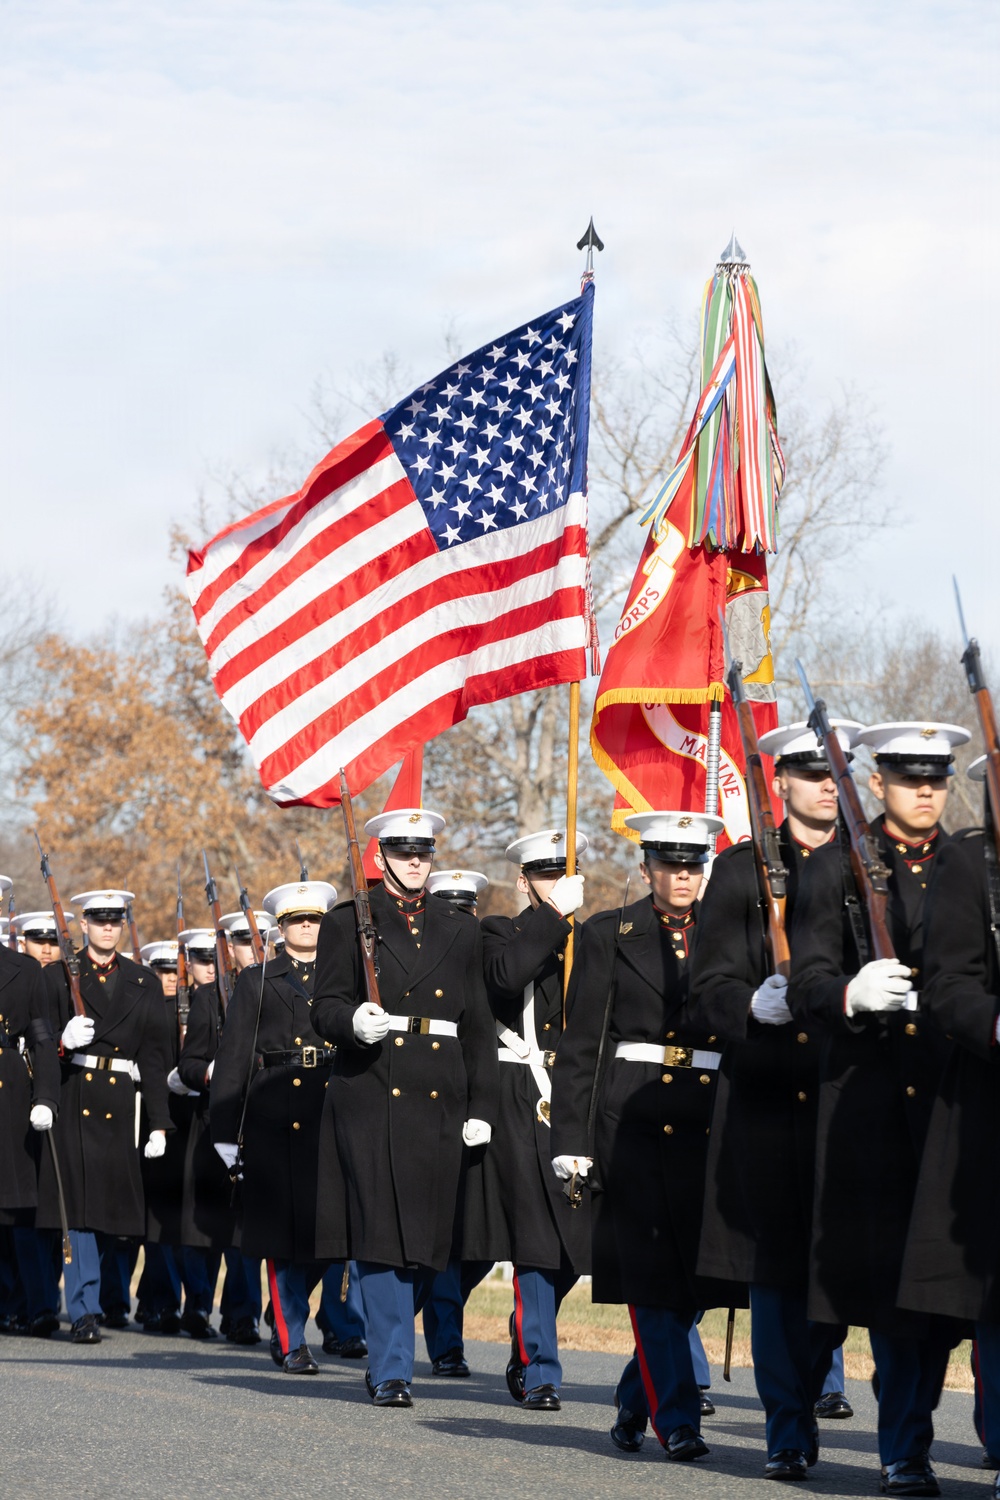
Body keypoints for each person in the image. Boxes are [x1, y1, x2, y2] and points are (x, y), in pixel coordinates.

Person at [789, 720, 970, 1497]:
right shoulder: (832, 869)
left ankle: (917, 1432)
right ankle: (902, 1447)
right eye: (909, 776)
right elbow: (805, 982)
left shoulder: (969, 865)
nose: (926, 790)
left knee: (945, 1293)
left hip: (953, 1102)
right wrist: (846, 992)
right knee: (894, 1296)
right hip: (871, 1105)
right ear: (880, 781)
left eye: (937, 777)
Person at [690, 720, 860, 1480]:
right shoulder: (739, 871)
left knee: (845, 1274)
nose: (830, 782)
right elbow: (708, 987)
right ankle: (787, 1425)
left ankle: (815, 1378)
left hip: (854, 1099)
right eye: (811, 770)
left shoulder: (871, 866)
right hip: (768, 1097)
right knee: (774, 1275)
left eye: (839, 770)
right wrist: (748, 1005)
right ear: (779, 782)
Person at [550, 811, 738, 1463]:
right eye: (669, 863)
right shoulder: (610, 934)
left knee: (693, 1286)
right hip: (632, 1119)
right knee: (654, 1281)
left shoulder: (733, 938)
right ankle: (678, 1419)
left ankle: (636, 1400)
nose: (682, 875)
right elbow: (580, 1047)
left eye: (694, 864)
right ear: (646, 868)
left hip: (710, 1120)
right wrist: (570, 1137)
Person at [312, 808, 498, 1408]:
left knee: (427, 1241)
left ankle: (387, 1334)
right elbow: (324, 1005)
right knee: (382, 1235)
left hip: (440, 1087)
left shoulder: (460, 927)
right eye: (404, 849)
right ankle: (391, 1366)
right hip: (373, 1088)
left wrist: (481, 1101)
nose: (417, 860)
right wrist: (350, 1021)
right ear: (381, 855)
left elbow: (478, 1025)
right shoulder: (350, 921)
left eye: (425, 850)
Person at [897, 754, 1000, 1498]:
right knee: (969, 1296)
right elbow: (948, 984)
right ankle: (919, 1445)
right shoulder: (972, 863)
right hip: (988, 1108)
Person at [474, 831, 591, 1412]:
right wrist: (553, 917)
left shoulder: (594, 941)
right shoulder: (500, 930)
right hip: (522, 1096)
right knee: (538, 1241)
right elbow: (504, 976)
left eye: (566, 874)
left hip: (578, 1095)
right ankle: (541, 1368)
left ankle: (527, 1337)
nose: (556, 884)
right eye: (544, 875)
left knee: (576, 1244)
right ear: (524, 881)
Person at [210, 880, 339, 1374]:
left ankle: (289, 1311)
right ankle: (291, 1339)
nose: (307, 927)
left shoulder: (343, 976)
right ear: (281, 929)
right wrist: (225, 1129)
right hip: (275, 1112)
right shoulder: (258, 979)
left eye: (316, 920)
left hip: (333, 1110)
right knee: (282, 1237)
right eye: (297, 920)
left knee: (330, 1236)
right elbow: (235, 1056)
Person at [37, 888, 172, 1345]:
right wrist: (63, 1041)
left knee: (116, 1216)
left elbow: (154, 1057)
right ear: (84, 925)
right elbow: (40, 1040)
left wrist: (159, 1121)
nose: (108, 928)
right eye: (99, 920)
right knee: (79, 1211)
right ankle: (84, 1310)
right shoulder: (58, 977)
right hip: (77, 1097)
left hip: (122, 1104)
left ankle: (105, 1298)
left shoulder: (143, 982)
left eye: (116, 921)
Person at [174, 918, 267, 1347]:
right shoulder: (211, 997)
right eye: (246, 941)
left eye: (260, 940)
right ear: (231, 948)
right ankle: (197, 1305)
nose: (254, 948)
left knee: (246, 1231)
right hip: (216, 1119)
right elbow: (189, 1062)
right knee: (205, 1225)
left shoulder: (281, 990)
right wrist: (211, 1071)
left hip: (262, 1120)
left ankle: (242, 1314)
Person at [419, 869, 493, 1379]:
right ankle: (446, 1343)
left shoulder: (485, 953)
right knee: (442, 1238)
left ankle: (425, 1303)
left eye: (467, 909)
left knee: (482, 1243)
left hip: (490, 1103)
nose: (459, 918)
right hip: (434, 1103)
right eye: (450, 907)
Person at [0, 885, 61, 1339]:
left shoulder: (23, 970)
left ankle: (31, 1303)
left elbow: (42, 1040)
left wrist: (45, 1097)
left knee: (19, 1208)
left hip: (11, 1093)